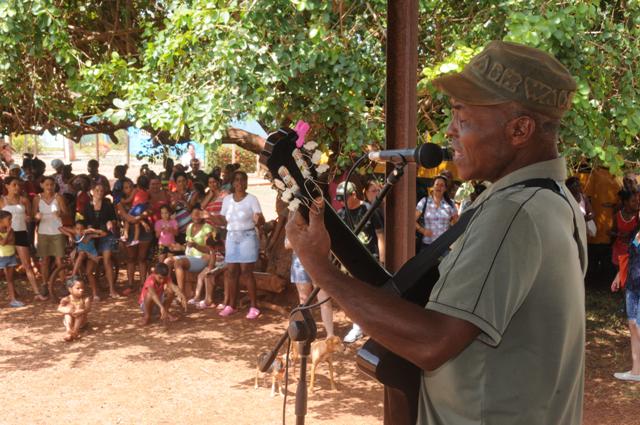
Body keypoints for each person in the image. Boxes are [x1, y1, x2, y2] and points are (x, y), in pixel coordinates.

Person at [286, 41, 586, 425]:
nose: (449, 131)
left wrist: (320, 270)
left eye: (463, 119)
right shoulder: (548, 199)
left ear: (520, 129)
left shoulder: (513, 213)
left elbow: (432, 342)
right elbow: (411, 304)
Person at [210, 170, 264, 319]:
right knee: (232, 271)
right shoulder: (227, 200)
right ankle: (231, 305)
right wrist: (210, 217)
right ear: (232, 183)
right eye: (237, 180)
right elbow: (223, 220)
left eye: (242, 180)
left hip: (248, 236)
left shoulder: (252, 199)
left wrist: (258, 219)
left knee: (246, 271)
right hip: (232, 236)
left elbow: (260, 219)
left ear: (246, 183)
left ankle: (254, 307)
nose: (239, 183)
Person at [336, 180, 384, 343]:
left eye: (344, 198)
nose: (342, 202)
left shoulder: (369, 209)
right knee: (352, 294)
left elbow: (380, 235)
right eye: (339, 199)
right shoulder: (341, 214)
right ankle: (358, 326)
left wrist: (382, 259)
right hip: (350, 261)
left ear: (354, 195)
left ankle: (374, 325)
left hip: (370, 258)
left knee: (371, 294)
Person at [0, 176, 45, 301]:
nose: (17, 187)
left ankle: (36, 293)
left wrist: (33, 218)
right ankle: (13, 293)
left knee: (27, 264)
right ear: (7, 186)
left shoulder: (24, 200)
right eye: (14, 184)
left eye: (18, 185)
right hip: (5, 234)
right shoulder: (2, 200)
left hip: (20, 233)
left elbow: (30, 217)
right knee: (7, 265)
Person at [164, 205, 213, 300]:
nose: (196, 216)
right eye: (194, 214)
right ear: (190, 215)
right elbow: (188, 246)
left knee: (178, 262)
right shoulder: (189, 227)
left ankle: (180, 294)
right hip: (190, 257)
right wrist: (180, 247)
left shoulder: (207, 228)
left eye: (198, 214)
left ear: (202, 215)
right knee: (167, 261)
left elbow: (210, 250)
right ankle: (169, 289)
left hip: (202, 258)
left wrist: (196, 245)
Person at [611, 228, 640, 381]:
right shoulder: (636, 232)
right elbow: (629, 258)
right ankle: (636, 372)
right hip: (631, 286)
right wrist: (618, 276)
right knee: (633, 325)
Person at [33, 176, 69, 293]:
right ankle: (44, 284)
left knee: (59, 260)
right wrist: (36, 217)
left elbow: (66, 213)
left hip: (57, 231)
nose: (49, 187)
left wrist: (60, 214)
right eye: (47, 184)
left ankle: (63, 284)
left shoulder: (58, 197)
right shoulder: (37, 198)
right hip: (43, 232)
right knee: (44, 260)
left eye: (52, 185)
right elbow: (34, 216)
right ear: (42, 185)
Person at [83, 183, 119, 299]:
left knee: (107, 261)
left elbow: (114, 220)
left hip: (106, 235)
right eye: (97, 190)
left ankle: (112, 290)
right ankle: (95, 292)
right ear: (92, 191)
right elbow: (84, 222)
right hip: (92, 236)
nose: (99, 192)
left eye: (101, 190)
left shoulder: (108, 205)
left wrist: (111, 223)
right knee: (90, 266)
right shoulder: (87, 206)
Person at [415, 175, 458, 251]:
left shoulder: (450, 204)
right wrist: (422, 230)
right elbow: (412, 220)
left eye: (442, 185)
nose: (439, 187)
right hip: (426, 246)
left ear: (445, 189)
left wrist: (450, 232)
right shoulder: (424, 201)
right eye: (437, 184)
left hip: (444, 246)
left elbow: (457, 223)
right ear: (433, 186)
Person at [57, 277, 92, 342]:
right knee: (67, 314)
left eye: (82, 288)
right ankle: (68, 331)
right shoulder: (67, 299)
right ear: (70, 289)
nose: (81, 290)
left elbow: (88, 309)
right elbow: (59, 308)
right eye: (78, 288)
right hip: (70, 321)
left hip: (82, 322)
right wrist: (68, 310)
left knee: (80, 311)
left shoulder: (86, 298)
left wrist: (82, 311)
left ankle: (75, 331)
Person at [611, 189, 639, 270]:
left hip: (634, 253)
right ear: (626, 202)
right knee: (620, 278)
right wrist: (614, 234)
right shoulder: (618, 215)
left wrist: (632, 240)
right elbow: (613, 231)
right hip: (619, 252)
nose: (637, 203)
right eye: (633, 201)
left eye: (638, 200)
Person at [0, 210, 21, 307]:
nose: (11, 221)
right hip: (1, 258)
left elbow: (12, 242)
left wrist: (5, 239)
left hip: (11, 256)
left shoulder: (11, 230)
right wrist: (8, 234)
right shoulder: (10, 231)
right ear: (1, 220)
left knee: (10, 279)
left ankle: (13, 300)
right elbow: (3, 243)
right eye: (9, 219)